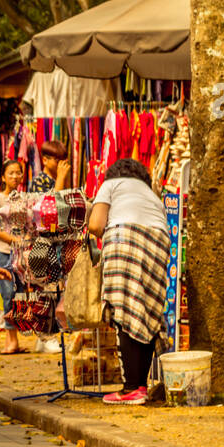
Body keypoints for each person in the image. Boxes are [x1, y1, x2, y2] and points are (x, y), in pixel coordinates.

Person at [87, 157, 170, 405]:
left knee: (123, 311)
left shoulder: (111, 184)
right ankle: (140, 387)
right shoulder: (151, 193)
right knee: (144, 312)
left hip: (125, 238)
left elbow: (95, 224)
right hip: (159, 243)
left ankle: (131, 387)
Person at [0, 158, 28, 354]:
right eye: (11, 172)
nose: (15, 176)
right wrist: (16, 240)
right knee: (7, 294)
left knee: (20, 294)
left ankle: (15, 339)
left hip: (21, 252)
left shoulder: (23, 199)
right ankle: (10, 339)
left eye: (18, 172)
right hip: (3, 251)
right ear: (3, 177)